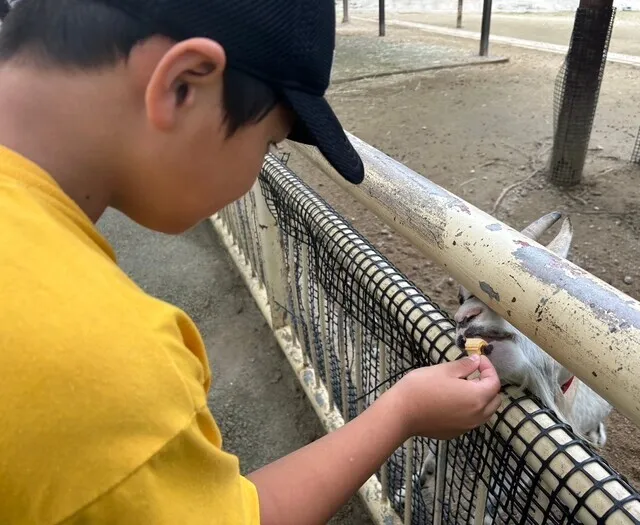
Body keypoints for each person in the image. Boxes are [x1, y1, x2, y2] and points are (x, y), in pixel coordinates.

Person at [0, 1, 502, 524]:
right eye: (268, 144)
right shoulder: (97, 364)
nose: (254, 174)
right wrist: (403, 413)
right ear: (182, 85)